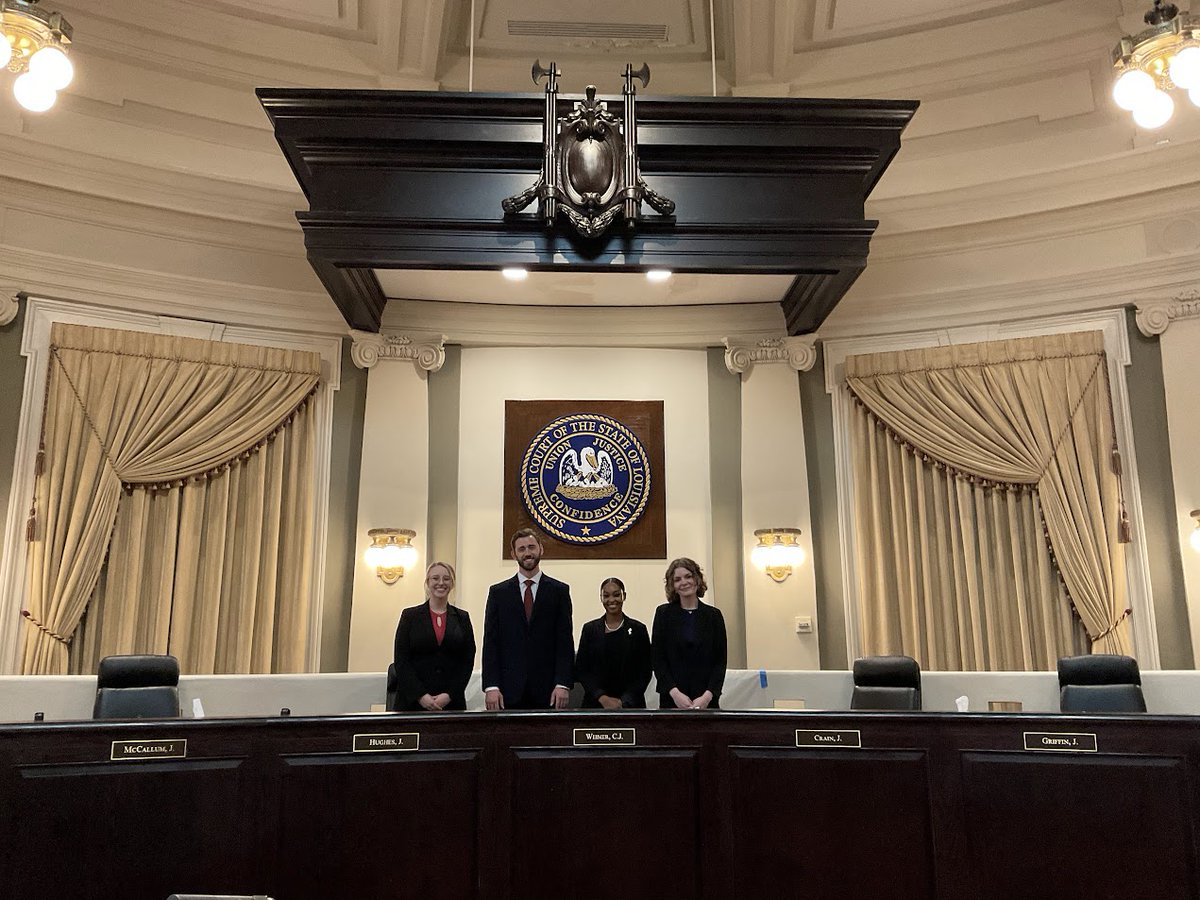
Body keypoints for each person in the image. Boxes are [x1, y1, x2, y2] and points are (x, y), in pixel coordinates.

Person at [482, 528, 574, 710]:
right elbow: (491, 643)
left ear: (541, 549)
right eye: (521, 549)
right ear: (513, 554)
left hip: (549, 692)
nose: (527, 552)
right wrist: (491, 686)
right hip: (508, 691)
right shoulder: (498, 593)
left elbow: (564, 642)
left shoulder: (559, 591)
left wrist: (562, 684)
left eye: (531, 547)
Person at [392, 561, 476, 711]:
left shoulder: (462, 618)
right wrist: (420, 695)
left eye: (446, 578)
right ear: (427, 583)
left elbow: (467, 661)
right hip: (413, 703)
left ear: (452, 584)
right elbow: (401, 660)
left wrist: (449, 694)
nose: (441, 583)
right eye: (435, 578)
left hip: (450, 703)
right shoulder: (410, 616)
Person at [651, 557, 727, 710]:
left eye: (688, 576)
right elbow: (658, 659)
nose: (684, 582)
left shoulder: (713, 616)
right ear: (672, 585)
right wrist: (675, 693)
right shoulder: (663, 614)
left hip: (706, 702)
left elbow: (720, 661)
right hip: (672, 700)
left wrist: (707, 696)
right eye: (677, 579)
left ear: (697, 579)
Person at [574, 577, 652, 709]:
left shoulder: (639, 629)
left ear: (624, 596)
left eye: (616, 595)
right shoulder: (590, 630)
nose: (611, 600)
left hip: (630, 706)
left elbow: (644, 672)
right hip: (595, 705)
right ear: (601, 598)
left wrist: (623, 701)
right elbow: (582, 670)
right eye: (606, 596)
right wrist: (602, 698)